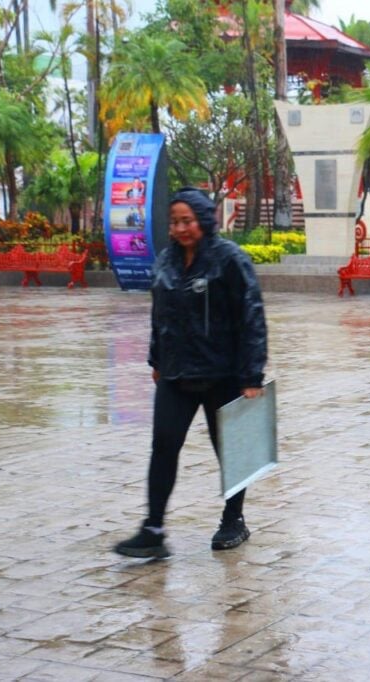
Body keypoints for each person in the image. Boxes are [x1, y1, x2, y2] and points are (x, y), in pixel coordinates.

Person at [115, 187, 268, 559]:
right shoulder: (166, 260)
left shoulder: (230, 260)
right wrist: (156, 359)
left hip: (224, 374)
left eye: (188, 221)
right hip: (176, 374)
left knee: (232, 450)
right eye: (175, 222)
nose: (181, 229)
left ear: (203, 220)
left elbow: (251, 316)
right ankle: (153, 528)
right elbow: (160, 314)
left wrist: (251, 377)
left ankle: (234, 520)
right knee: (163, 446)